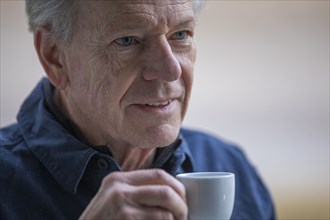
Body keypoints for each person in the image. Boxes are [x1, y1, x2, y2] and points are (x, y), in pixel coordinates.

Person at [0, 0, 276, 219]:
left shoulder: (229, 166)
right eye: (128, 40)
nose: (170, 70)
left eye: (180, 35)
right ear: (54, 57)